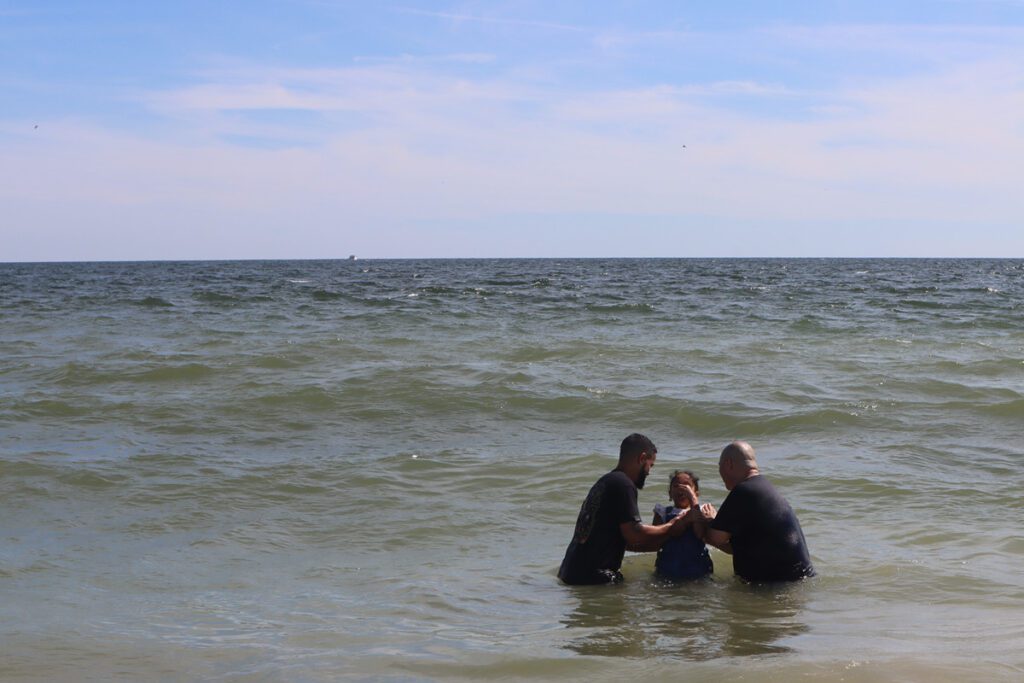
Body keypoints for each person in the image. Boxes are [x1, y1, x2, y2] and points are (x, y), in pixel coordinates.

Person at [558, 433, 700, 585]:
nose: (649, 472)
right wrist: (672, 526)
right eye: (650, 465)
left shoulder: (607, 481)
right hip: (593, 577)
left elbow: (627, 542)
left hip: (570, 572)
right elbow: (635, 534)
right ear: (642, 458)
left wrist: (667, 539)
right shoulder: (624, 485)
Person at [704, 441, 815, 582]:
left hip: (776, 586)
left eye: (720, 467)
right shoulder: (763, 488)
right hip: (798, 580)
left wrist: (709, 520)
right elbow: (737, 547)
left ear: (728, 464)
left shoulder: (743, 491)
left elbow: (715, 538)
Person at [651, 470, 715, 580]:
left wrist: (693, 501)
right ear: (670, 493)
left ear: (696, 493)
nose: (681, 489)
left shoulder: (703, 510)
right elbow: (655, 540)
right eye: (676, 486)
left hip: (698, 569)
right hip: (668, 568)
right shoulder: (662, 512)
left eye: (687, 486)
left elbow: (700, 534)